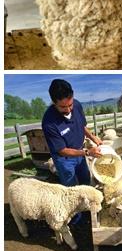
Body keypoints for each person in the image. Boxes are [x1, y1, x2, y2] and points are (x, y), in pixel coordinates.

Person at [42, 79, 102, 224]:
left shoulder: (78, 106)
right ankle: (76, 219)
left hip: (80, 151)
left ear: (73, 97)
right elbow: (62, 150)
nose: (68, 110)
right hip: (65, 159)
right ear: (54, 103)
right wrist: (87, 152)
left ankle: (88, 209)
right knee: (72, 189)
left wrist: (93, 137)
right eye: (63, 107)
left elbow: (82, 126)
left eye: (70, 104)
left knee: (85, 180)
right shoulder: (49, 122)